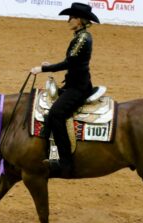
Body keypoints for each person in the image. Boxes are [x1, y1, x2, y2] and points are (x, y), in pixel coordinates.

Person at [30, 2, 100, 178]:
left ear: (81, 20)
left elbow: (70, 63)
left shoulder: (83, 38)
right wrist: (50, 65)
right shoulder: (80, 36)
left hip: (78, 88)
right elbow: (71, 60)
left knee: (56, 113)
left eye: (72, 17)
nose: (69, 20)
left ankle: (65, 162)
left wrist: (44, 69)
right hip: (74, 84)